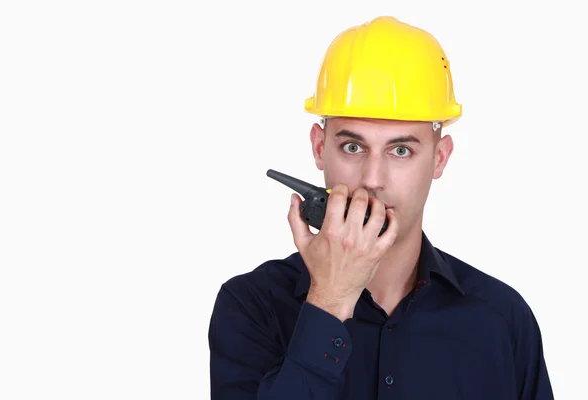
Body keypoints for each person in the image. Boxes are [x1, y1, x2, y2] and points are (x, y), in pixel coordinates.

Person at [208, 16, 554, 399]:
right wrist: (330, 301)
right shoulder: (251, 306)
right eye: (352, 147)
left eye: (401, 150)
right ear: (320, 148)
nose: (373, 178)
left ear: (440, 159)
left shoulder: (502, 319)